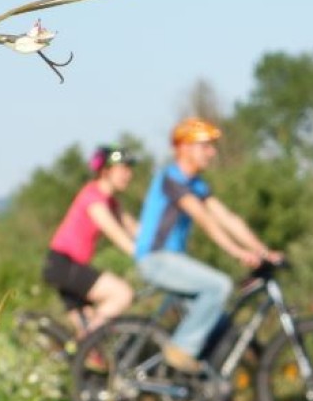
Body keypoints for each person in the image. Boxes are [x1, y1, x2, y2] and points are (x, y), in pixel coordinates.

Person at [133, 117, 283, 374]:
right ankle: (179, 351)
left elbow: (227, 218)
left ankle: (195, 382)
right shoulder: (172, 178)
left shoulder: (196, 184)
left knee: (220, 323)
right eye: (205, 146)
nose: (212, 152)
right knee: (219, 285)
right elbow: (204, 218)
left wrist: (263, 251)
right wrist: (238, 252)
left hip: (173, 260)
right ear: (184, 148)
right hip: (157, 260)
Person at [42, 145, 140, 336]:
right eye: (123, 168)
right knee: (122, 294)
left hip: (69, 266)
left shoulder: (111, 202)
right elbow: (117, 234)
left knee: (89, 342)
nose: (128, 174)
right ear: (105, 171)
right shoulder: (93, 197)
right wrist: (142, 254)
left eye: (129, 169)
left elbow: (136, 230)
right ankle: (88, 341)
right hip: (64, 265)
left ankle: (81, 346)